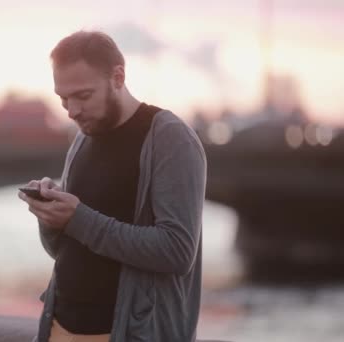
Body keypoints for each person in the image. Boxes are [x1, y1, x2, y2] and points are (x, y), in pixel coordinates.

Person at [18, 30, 207, 342]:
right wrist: (51, 219)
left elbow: (176, 251)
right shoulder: (82, 138)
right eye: (63, 98)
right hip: (59, 327)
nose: (72, 110)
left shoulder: (170, 138)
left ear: (118, 77)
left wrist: (77, 218)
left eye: (83, 95)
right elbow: (66, 250)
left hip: (130, 332)